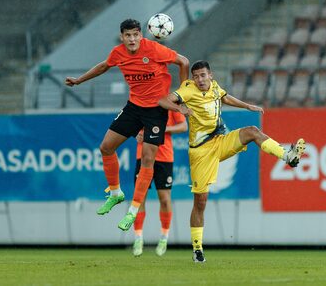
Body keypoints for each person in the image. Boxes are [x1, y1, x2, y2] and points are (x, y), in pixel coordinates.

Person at [158, 60, 306, 263]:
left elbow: (225, 97)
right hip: (201, 152)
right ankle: (197, 248)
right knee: (200, 202)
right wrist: (179, 109)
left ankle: (287, 156)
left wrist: (247, 106)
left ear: (210, 75)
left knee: (252, 132)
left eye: (203, 75)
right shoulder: (188, 89)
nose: (200, 79)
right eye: (196, 76)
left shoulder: (215, 86)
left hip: (220, 141)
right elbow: (163, 101)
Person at [65, 19, 189, 231]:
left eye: (135, 35)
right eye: (127, 35)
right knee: (106, 147)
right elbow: (104, 66)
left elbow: (184, 62)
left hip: (157, 110)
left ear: (141, 35)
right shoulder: (118, 53)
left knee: (147, 160)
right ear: (122, 37)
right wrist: (79, 80)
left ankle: (132, 210)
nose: (132, 39)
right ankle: (115, 193)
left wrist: (182, 94)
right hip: (134, 107)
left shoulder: (155, 49)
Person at [132, 110, 187, 257]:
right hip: (143, 156)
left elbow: (183, 126)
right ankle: (138, 238)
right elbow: (129, 124)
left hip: (164, 156)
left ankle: (164, 237)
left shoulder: (170, 102)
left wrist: (163, 129)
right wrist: (135, 133)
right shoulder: (141, 100)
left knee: (164, 198)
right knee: (139, 197)